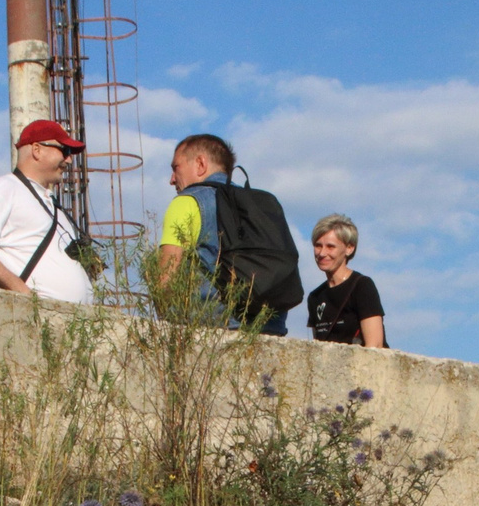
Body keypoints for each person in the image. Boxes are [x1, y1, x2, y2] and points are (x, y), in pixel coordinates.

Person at [154, 133, 288, 335]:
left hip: (211, 328)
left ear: (200, 164)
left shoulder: (187, 202)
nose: (172, 179)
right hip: (270, 328)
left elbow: (166, 279)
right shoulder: (262, 205)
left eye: (176, 168)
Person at [0, 119, 97, 303]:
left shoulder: (55, 207)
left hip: (70, 322)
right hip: (33, 318)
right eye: (65, 150)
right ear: (37, 150)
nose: (69, 159)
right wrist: (24, 294)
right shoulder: (4, 188)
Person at [305, 215, 386, 347]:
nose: (322, 253)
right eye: (318, 246)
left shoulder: (362, 286)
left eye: (330, 247)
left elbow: (375, 345)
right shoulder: (315, 297)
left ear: (349, 248)